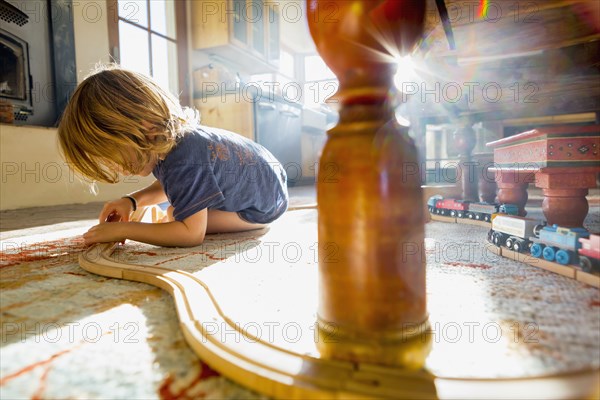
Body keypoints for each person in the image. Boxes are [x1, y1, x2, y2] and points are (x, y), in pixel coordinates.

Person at [58, 66, 288, 247]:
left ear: (143, 125)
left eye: (110, 155)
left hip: (263, 208)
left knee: (173, 216)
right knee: (177, 207)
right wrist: (132, 201)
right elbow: (176, 183)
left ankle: (255, 220)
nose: (112, 166)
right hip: (270, 183)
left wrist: (123, 230)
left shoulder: (187, 157)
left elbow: (191, 234)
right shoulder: (171, 144)